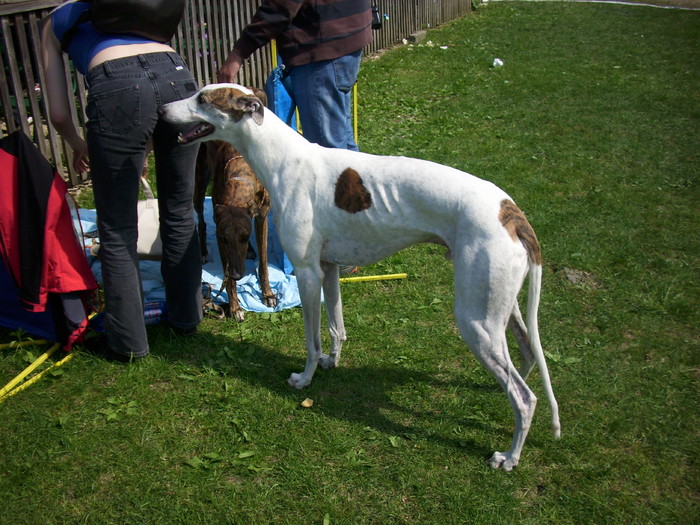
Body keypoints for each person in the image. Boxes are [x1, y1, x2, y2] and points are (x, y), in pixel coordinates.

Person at [41, 1, 203, 362]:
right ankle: (187, 318)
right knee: (178, 210)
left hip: (116, 86)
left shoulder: (56, 20)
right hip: (176, 72)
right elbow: (151, 83)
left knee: (117, 228)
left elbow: (57, 113)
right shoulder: (137, 4)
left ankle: (127, 344)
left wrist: (77, 144)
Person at [217, 0, 373, 152]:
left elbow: (281, 6)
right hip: (345, 37)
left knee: (327, 152)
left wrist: (239, 52)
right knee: (343, 144)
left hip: (321, 50)